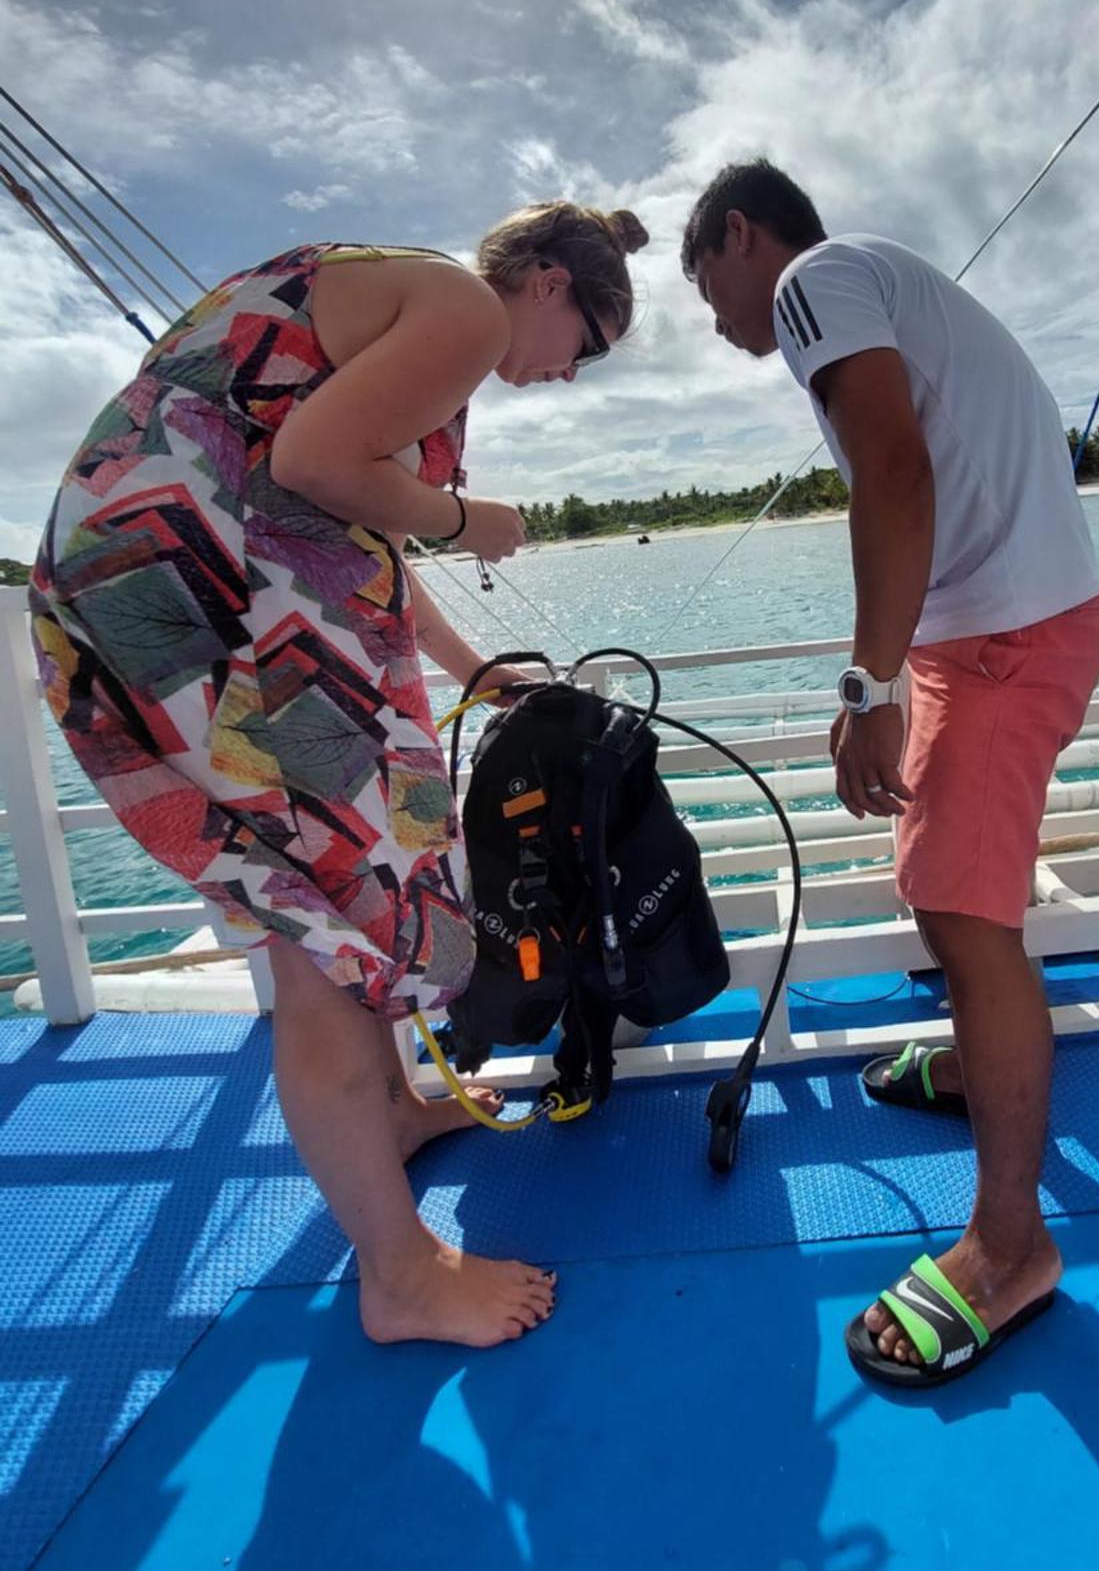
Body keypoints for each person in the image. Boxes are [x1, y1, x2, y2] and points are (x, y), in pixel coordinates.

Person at [29, 202, 647, 1347]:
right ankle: (401, 1275)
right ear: (551, 281)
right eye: (591, 346)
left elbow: (331, 525)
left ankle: (398, 1115)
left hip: (164, 590)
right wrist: (472, 518)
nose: (571, 377)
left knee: (340, 899)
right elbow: (321, 464)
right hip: (199, 607)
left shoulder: (383, 289)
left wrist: (476, 668)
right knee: (317, 934)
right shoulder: (461, 306)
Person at [682, 160, 1099, 1389]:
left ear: (742, 232)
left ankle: (1011, 1247)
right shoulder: (882, 282)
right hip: (993, 629)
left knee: (969, 922)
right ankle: (984, 1066)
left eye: (706, 278)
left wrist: (865, 688)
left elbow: (896, 473)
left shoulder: (819, 278)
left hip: (1003, 642)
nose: (717, 319)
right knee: (945, 883)